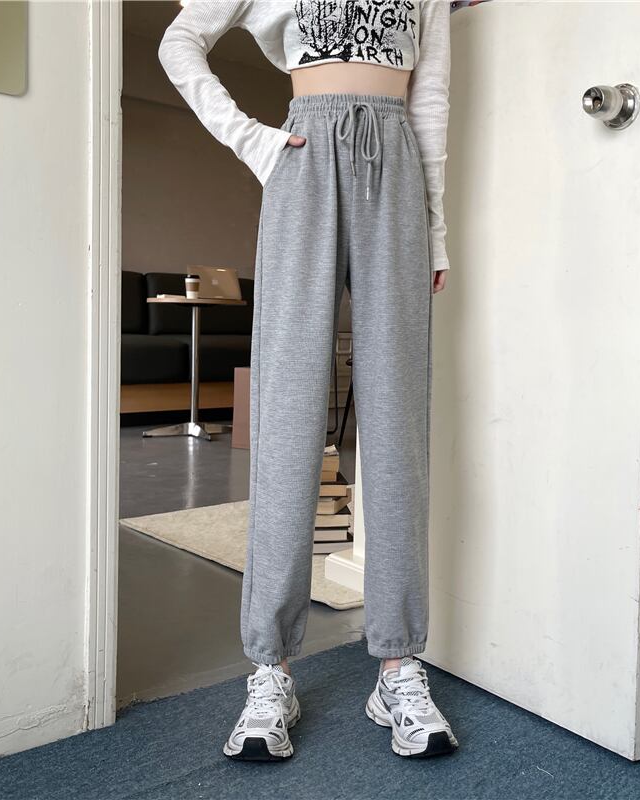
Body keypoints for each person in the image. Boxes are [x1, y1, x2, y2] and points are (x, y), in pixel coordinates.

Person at [159, 0, 455, 761]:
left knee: (397, 423)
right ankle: (270, 669)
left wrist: (435, 228)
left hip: (397, 169)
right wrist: (254, 140)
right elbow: (180, 40)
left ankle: (397, 665)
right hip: (304, 157)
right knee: (288, 418)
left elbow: (430, 95)